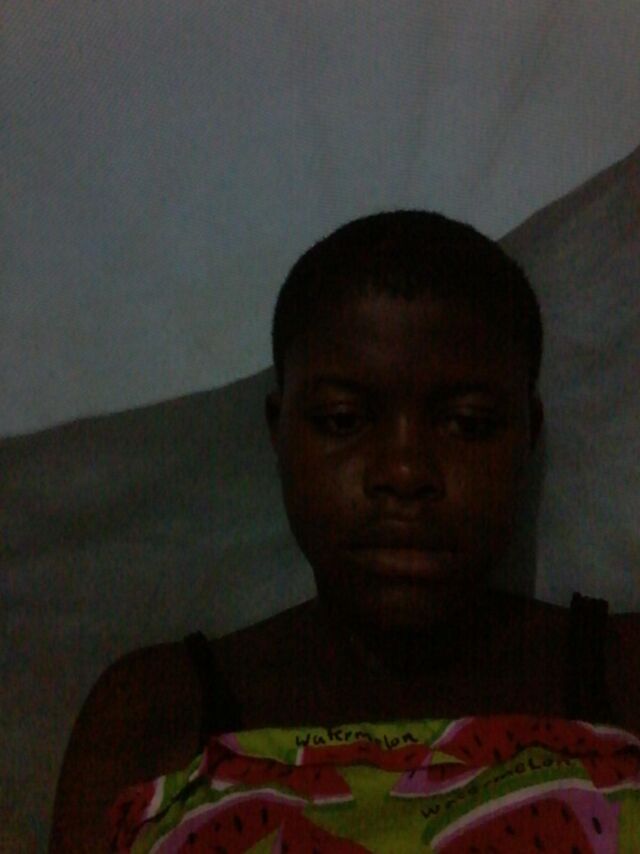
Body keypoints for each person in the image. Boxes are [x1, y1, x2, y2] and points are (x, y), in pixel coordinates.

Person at [50, 212, 639, 852]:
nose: (404, 472)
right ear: (278, 431)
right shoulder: (152, 714)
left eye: (468, 423)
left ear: (529, 434)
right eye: (342, 419)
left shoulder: (626, 674)